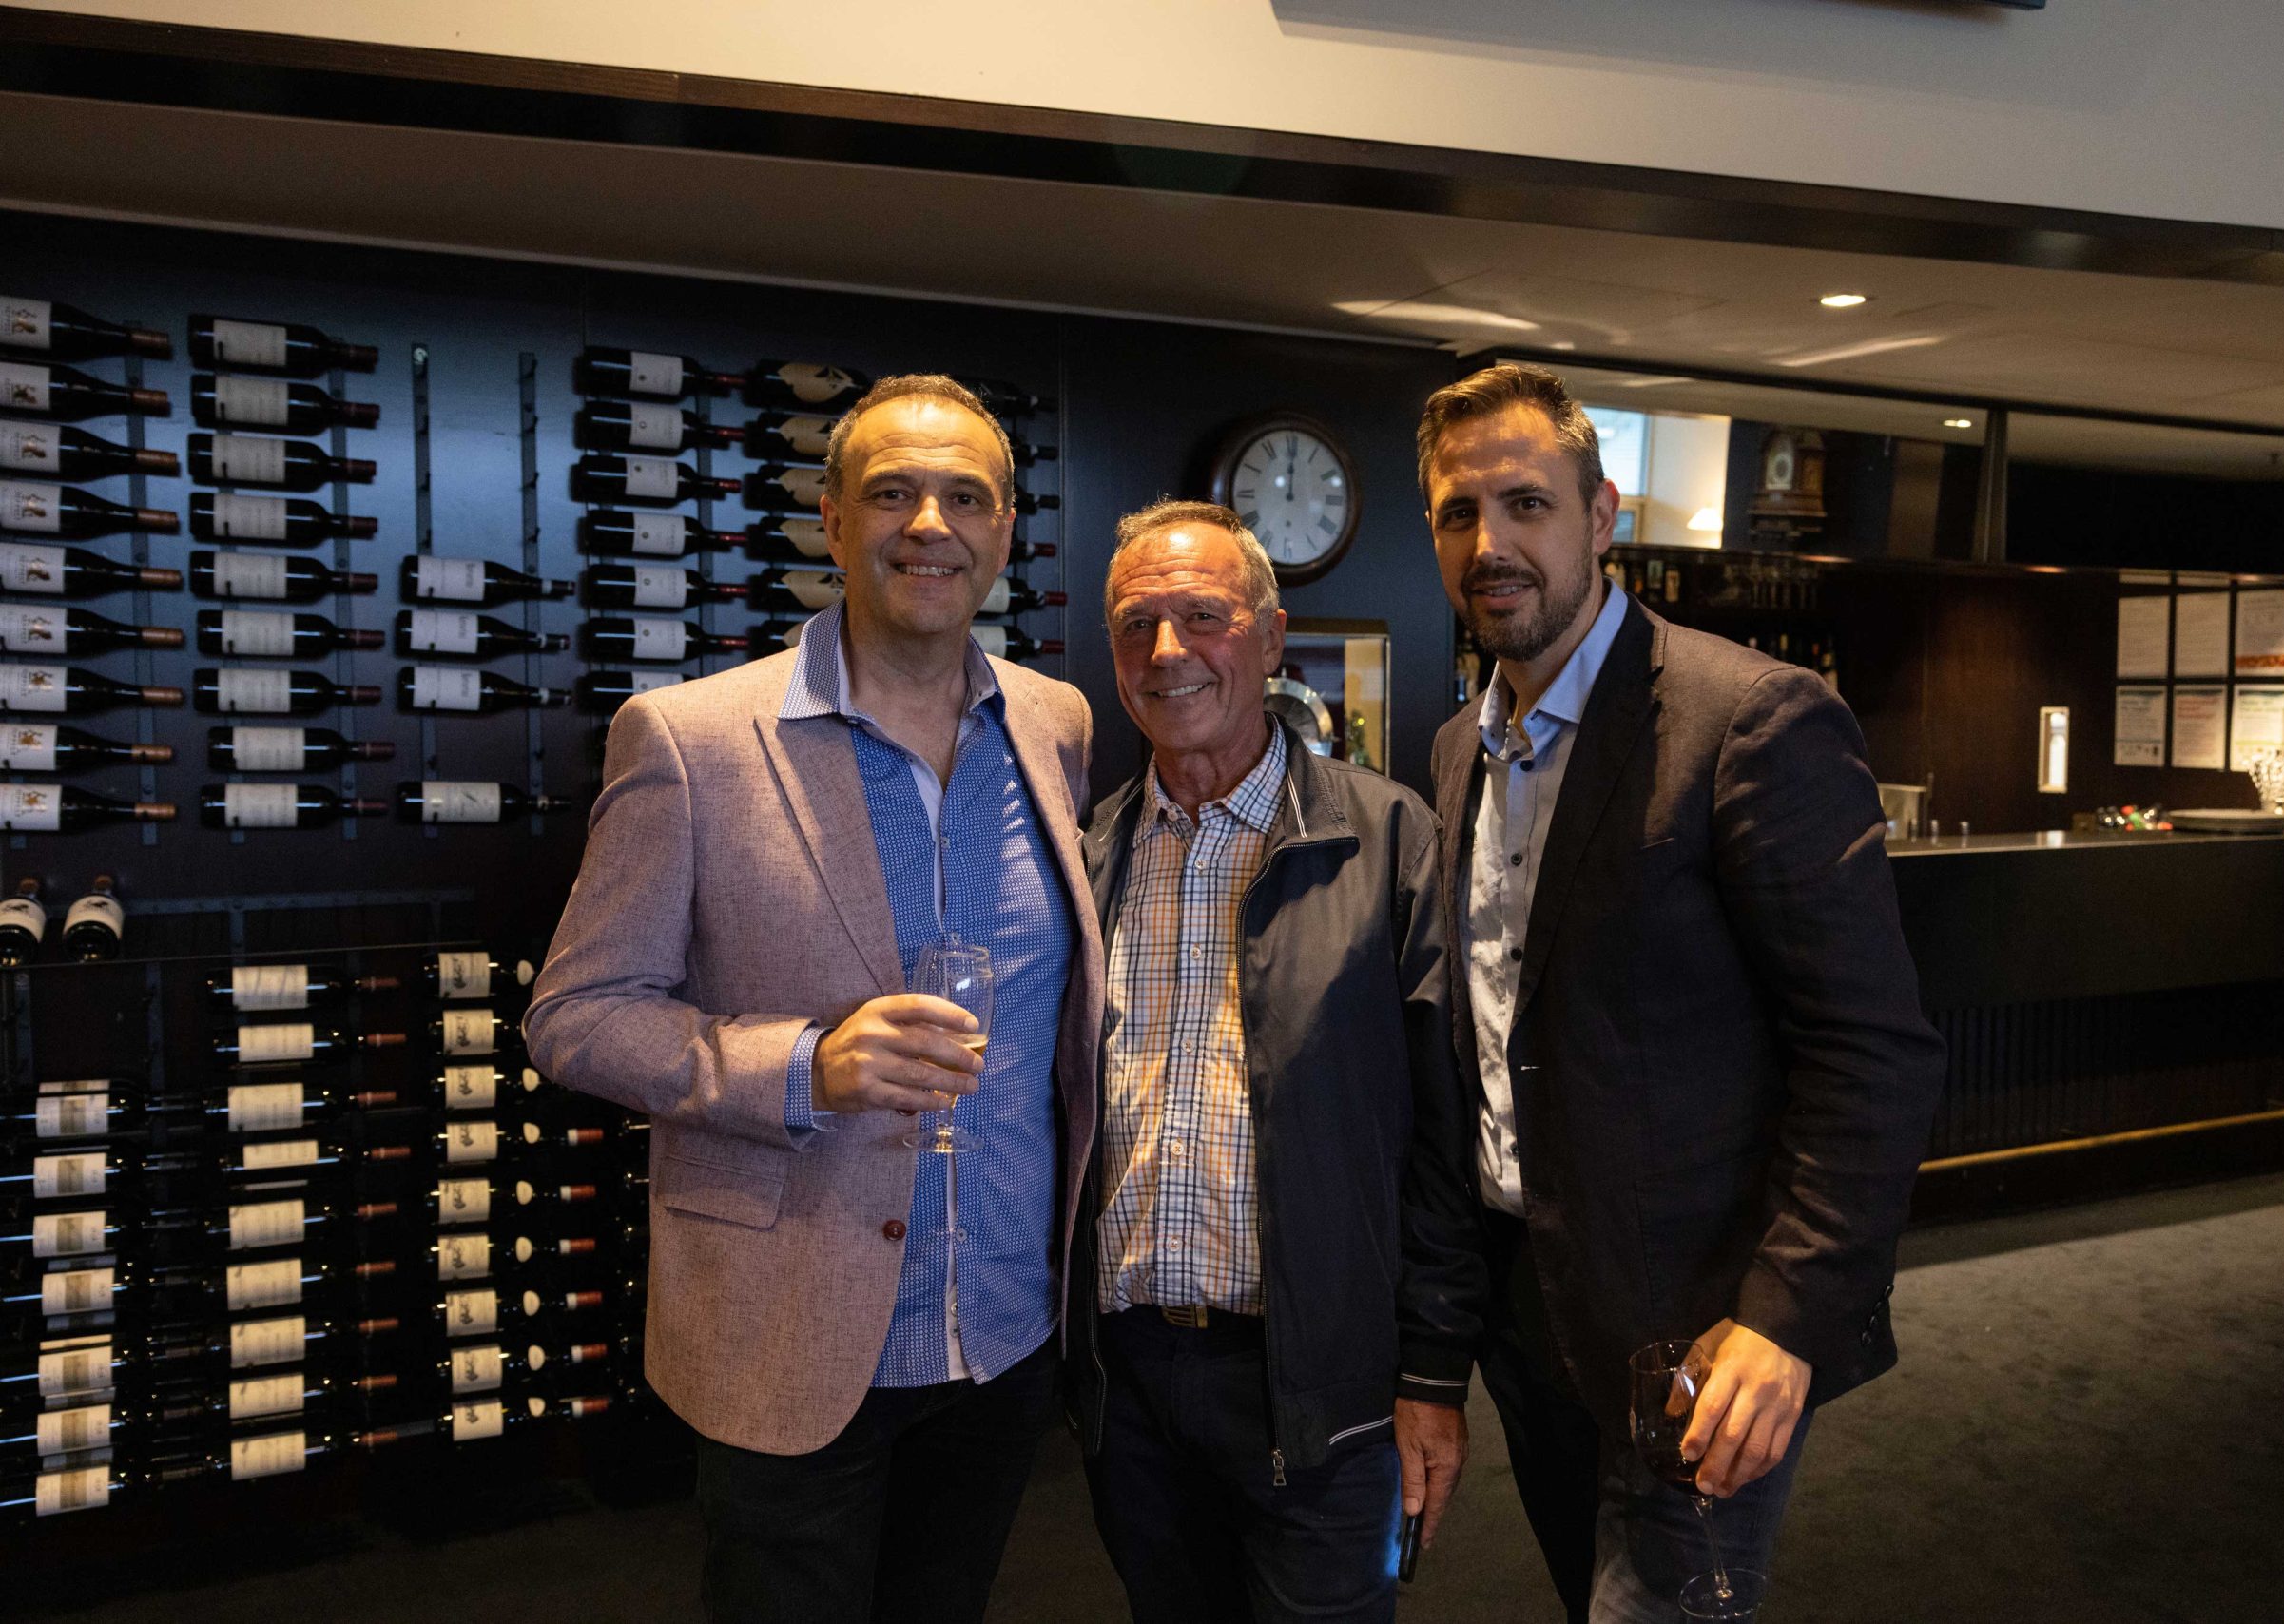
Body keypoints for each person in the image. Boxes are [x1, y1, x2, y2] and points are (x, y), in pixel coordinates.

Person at [523, 374, 1103, 1624]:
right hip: (792, 1335)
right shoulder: (689, 740)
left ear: (1006, 531)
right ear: (832, 521)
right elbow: (574, 1014)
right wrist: (801, 1068)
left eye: (965, 497)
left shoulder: (1055, 724)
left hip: (1003, 1328)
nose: (930, 525)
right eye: (892, 492)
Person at [1418, 364, 1946, 1623]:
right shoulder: (1455, 749)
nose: (1491, 545)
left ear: (1602, 516)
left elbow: (1871, 1052)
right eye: (1457, 513)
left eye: (1527, 503)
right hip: (1532, 1317)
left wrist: (1787, 1319)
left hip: (1701, 1332)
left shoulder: (1750, 720)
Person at [1070, 500, 1486, 1624]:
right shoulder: (1089, 851)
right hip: (1129, 1383)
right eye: (1137, 624)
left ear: (1268, 638)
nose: (1167, 650)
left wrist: (1432, 1371)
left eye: (1202, 616)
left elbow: (1443, 1136)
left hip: (1322, 1387)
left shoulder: (1386, 840)